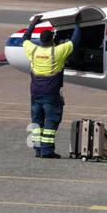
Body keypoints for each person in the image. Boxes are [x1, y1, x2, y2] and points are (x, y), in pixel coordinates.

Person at [21, 13, 81, 159]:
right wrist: (78, 24)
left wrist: (33, 24)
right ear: (53, 39)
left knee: (37, 122)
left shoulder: (33, 50)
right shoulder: (58, 51)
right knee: (51, 121)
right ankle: (47, 151)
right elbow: (74, 41)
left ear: (40, 40)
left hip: (35, 93)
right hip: (51, 94)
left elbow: (25, 39)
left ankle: (38, 149)